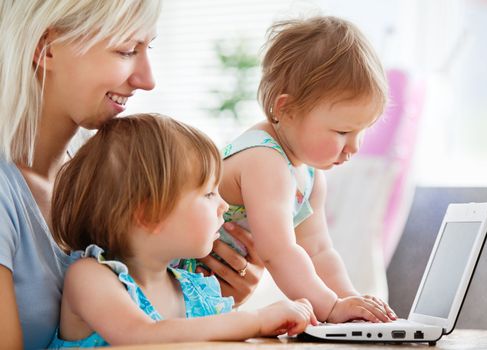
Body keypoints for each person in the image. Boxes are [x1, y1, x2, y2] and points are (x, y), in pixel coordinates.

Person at [0, 1, 263, 348]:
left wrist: (209, 303)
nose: (148, 80)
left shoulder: (112, 178)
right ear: (46, 49)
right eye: (126, 50)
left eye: (148, 48)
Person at [46, 114, 316, 347]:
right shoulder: (91, 277)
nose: (223, 205)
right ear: (150, 214)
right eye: (209, 194)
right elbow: (139, 335)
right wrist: (256, 320)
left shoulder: (193, 287)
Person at [214, 16, 398, 323]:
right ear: (284, 108)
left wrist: (350, 301)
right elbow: (280, 252)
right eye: (342, 132)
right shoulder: (263, 159)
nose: (354, 147)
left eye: (361, 131)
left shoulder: (311, 176)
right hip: (167, 281)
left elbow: (319, 250)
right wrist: (330, 307)